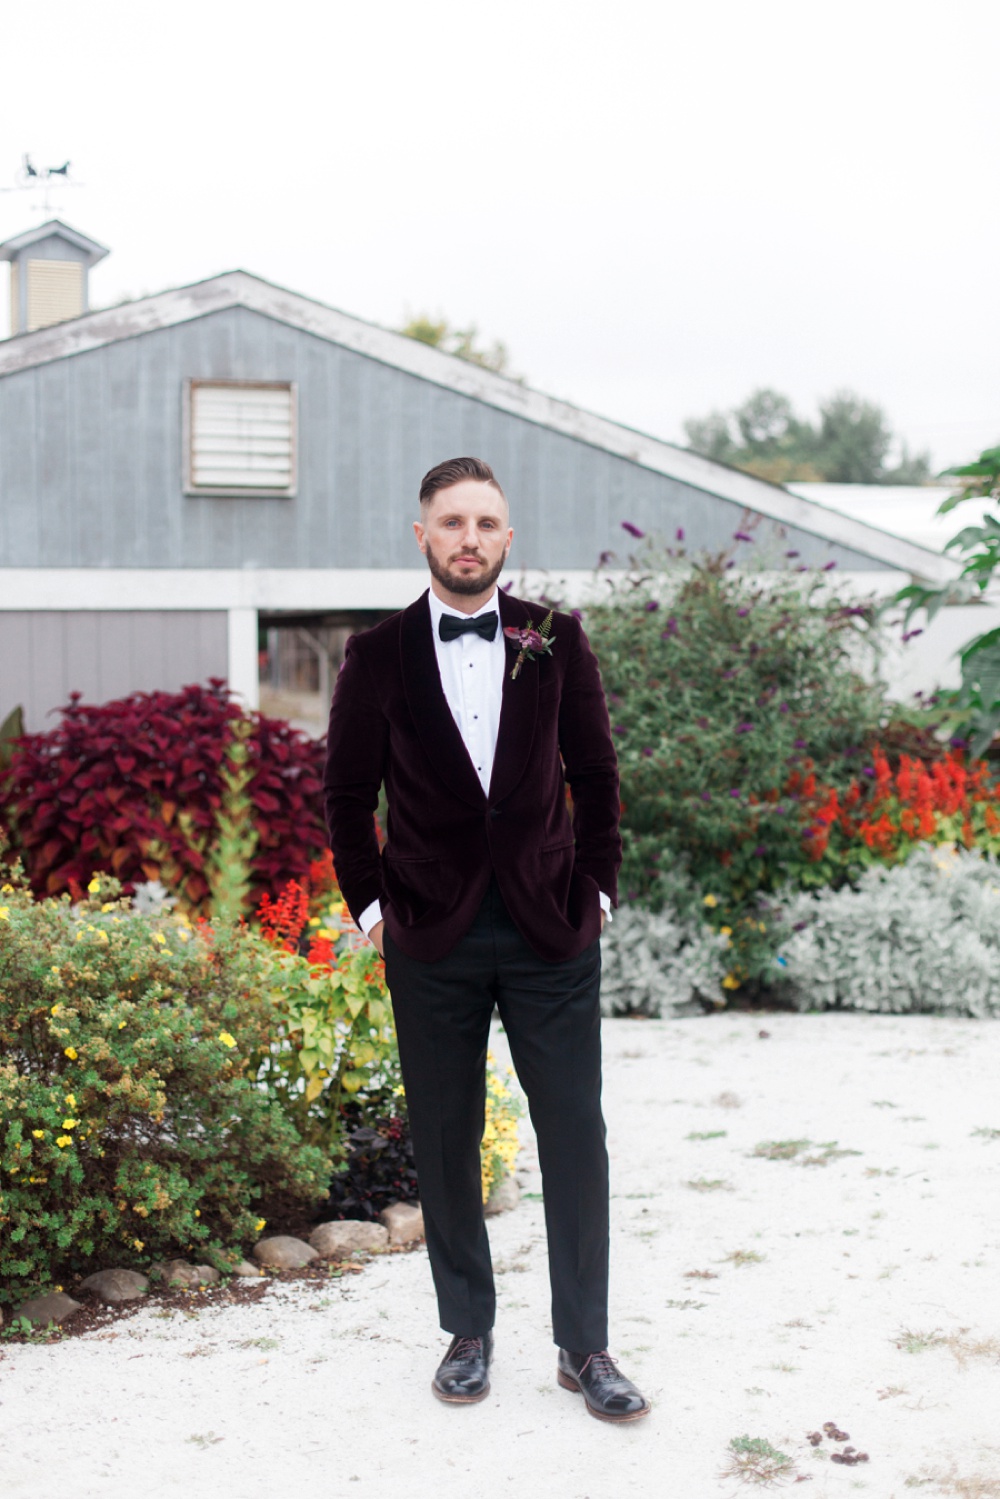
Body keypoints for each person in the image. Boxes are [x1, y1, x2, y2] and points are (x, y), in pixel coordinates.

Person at [323, 456, 649, 1423]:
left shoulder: (557, 637)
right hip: (430, 932)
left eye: (487, 523)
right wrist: (375, 910)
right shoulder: (375, 655)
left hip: (551, 925)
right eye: (452, 521)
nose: (470, 537)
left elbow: (595, 769)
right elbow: (346, 796)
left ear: (509, 539)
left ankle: (584, 1345)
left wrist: (596, 889)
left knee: (574, 1135)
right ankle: (467, 1329)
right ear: (421, 534)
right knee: (446, 1133)